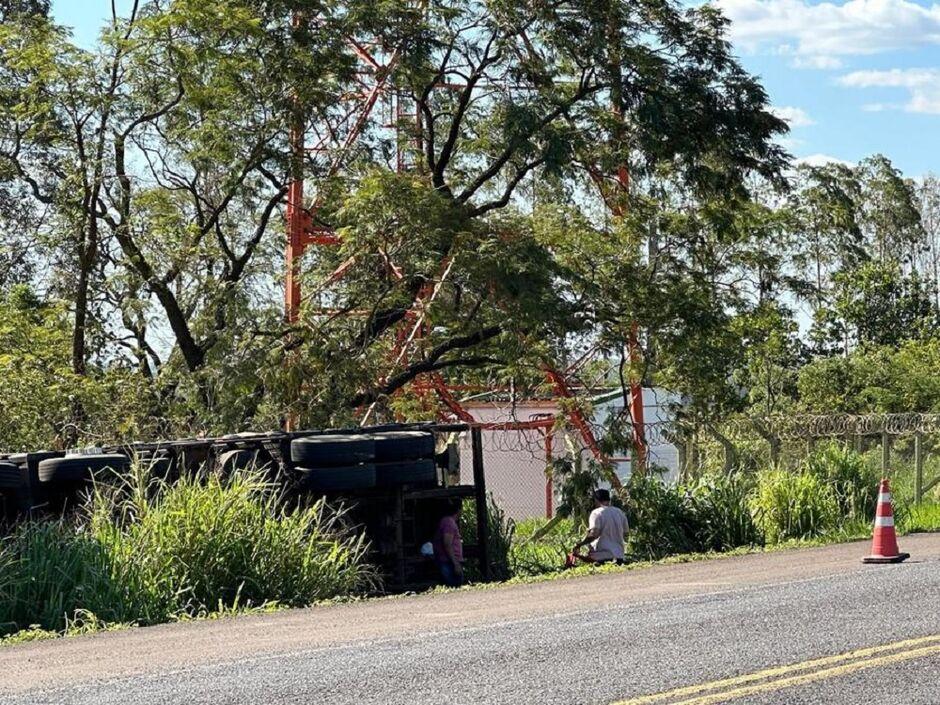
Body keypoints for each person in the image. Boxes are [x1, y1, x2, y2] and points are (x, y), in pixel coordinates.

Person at [569, 488, 628, 566]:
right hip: (619, 556)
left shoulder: (596, 513)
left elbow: (594, 534)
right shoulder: (619, 512)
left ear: (596, 500)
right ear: (609, 499)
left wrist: (580, 544)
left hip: (601, 557)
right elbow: (626, 534)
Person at [433, 499, 464, 587]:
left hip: (449, 562)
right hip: (449, 563)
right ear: (458, 510)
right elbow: (447, 544)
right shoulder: (448, 522)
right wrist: (455, 563)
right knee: (454, 586)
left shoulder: (448, 522)